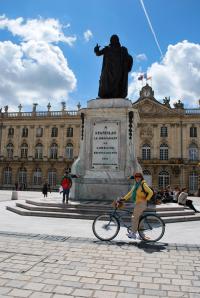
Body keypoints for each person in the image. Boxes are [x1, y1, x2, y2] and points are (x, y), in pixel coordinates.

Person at [94, 34, 133, 99]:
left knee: (106, 84)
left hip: (108, 73)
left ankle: (106, 95)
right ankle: (111, 95)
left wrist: (96, 50)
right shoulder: (122, 50)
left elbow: (98, 53)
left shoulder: (108, 49)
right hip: (117, 72)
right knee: (116, 85)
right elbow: (129, 58)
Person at [119, 172, 153, 239]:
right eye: (136, 177)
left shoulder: (143, 184)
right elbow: (130, 193)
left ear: (141, 178)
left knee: (134, 217)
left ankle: (133, 233)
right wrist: (124, 198)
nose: (137, 178)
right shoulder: (136, 184)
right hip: (138, 203)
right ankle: (141, 235)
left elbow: (150, 192)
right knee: (139, 218)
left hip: (141, 203)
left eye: (139, 177)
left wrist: (146, 199)